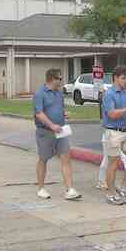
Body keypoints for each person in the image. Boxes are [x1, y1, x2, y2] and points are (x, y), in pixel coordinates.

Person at [33, 68, 82, 201]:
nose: (61, 81)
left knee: (66, 157)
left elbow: (59, 108)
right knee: (43, 158)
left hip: (61, 131)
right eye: (59, 78)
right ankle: (41, 188)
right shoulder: (40, 94)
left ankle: (69, 189)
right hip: (45, 131)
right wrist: (51, 125)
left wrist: (64, 113)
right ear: (52, 79)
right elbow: (39, 113)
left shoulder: (59, 94)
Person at [101, 65, 126, 205]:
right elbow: (111, 114)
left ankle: (123, 187)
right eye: (123, 78)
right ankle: (111, 193)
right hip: (113, 132)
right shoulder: (108, 94)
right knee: (113, 163)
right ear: (115, 78)